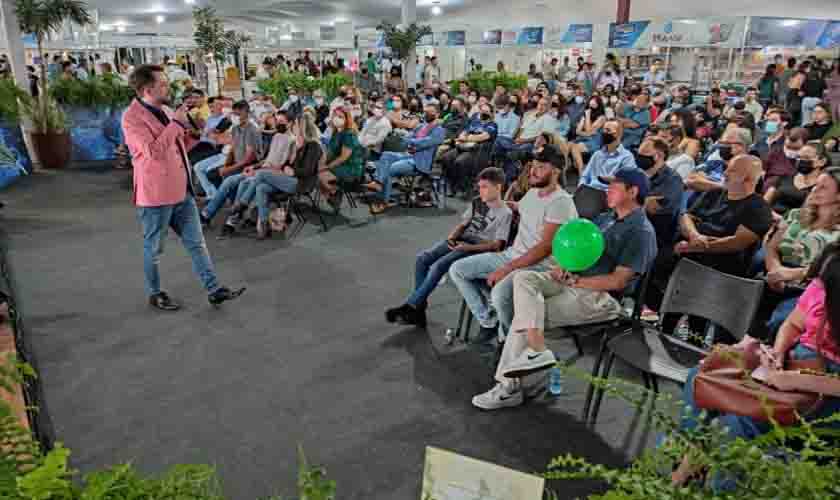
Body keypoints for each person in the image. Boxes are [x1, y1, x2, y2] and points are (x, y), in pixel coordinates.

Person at [472, 166, 657, 410]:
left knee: (526, 318)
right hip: (574, 281)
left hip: (601, 298)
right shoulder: (607, 219)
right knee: (524, 279)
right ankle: (538, 350)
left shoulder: (640, 232)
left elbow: (618, 281)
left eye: (614, 185)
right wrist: (564, 266)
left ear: (633, 192)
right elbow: (579, 250)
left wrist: (577, 281)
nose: (607, 190)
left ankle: (508, 388)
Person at [672, 241, 840, 486]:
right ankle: (687, 458)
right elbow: (793, 324)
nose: (819, 288)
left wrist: (795, 380)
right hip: (794, 362)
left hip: (827, 389)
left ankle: (707, 482)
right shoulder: (825, 281)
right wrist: (779, 352)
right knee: (701, 375)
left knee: (735, 425)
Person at [121, 65, 244, 311]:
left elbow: (177, 145)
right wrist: (176, 124)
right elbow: (154, 153)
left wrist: (194, 133)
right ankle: (155, 293)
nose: (169, 88)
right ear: (147, 89)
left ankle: (213, 289)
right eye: (163, 84)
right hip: (156, 195)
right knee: (154, 249)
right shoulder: (131, 118)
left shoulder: (166, 110)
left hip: (182, 190)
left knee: (197, 243)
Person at [449, 145, 578, 348]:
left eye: (540, 167)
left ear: (556, 171)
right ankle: (489, 320)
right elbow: (520, 208)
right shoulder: (534, 193)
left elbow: (545, 248)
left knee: (500, 295)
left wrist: (507, 269)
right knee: (458, 270)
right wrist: (500, 201)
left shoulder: (561, 202)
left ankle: (510, 344)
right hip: (513, 255)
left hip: (538, 266)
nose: (533, 171)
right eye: (533, 166)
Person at [386, 167, 512, 327]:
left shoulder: (505, 213)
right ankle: (418, 308)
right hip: (463, 239)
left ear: (498, 187)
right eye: (479, 186)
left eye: (485, 187)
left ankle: (411, 306)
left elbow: (497, 245)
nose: (481, 191)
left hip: (479, 247)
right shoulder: (477, 202)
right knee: (422, 259)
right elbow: (463, 224)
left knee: (439, 266)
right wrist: (452, 237)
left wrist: (466, 248)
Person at [250, 113, 322, 239]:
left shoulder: (313, 145)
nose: (293, 127)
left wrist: (293, 171)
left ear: (302, 127)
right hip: (289, 180)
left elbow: (307, 171)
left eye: (295, 125)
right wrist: (289, 165)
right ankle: (264, 224)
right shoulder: (299, 145)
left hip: (301, 183)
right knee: (261, 187)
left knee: (261, 174)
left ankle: (243, 204)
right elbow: (287, 165)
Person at [367, 104, 445, 213]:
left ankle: (382, 202)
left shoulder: (439, 130)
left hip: (419, 162)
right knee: (386, 155)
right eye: (425, 112)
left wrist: (411, 142)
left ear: (437, 114)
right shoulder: (421, 126)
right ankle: (379, 183)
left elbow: (426, 142)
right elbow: (407, 138)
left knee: (388, 169)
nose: (426, 114)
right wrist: (409, 140)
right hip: (408, 155)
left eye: (429, 112)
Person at [440, 101, 498, 195]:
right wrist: (464, 137)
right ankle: (451, 185)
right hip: (464, 147)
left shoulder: (492, 125)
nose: (484, 113)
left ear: (491, 114)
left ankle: (462, 187)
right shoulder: (474, 121)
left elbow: (482, 137)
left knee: (460, 162)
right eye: (482, 111)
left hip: (478, 151)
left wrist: (466, 138)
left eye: (487, 112)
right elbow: (464, 132)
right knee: (446, 158)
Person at [638, 137, 685, 248]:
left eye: (644, 154)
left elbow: (653, 210)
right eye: (639, 153)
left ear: (659, 156)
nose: (640, 158)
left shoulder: (673, 180)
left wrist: (635, 201)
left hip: (654, 237)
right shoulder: (638, 173)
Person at [764, 142, 832, 216]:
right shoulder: (785, 176)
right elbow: (765, 202)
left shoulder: (820, 187)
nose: (800, 161)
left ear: (821, 162)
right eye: (799, 157)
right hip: (769, 217)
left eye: (806, 158)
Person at [494, 97, 553, 180]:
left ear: (548, 107)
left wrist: (523, 141)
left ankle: (504, 174)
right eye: (540, 104)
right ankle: (505, 159)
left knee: (511, 153)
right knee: (499, 139)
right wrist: (517, 139)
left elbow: (543, 137)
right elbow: (522, 129)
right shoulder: (531, 116)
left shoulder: (549, 119)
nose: (541, 106)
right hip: (518, 142)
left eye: (544, 105)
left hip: (532, 144)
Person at [578, 119, 638, 196]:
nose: (604, 133)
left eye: (608, 130)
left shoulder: (627, 157)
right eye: (603, 130)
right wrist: (580, 189)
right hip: (589, 193)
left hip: (608, 196)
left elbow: (627, 182)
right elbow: (585, 176)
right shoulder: (597, 154)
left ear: (618, 134)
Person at [319, 107, 364, 206]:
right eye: (335, 116)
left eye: (340, 117)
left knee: (319, 175)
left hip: (350, 167)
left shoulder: (349, 134)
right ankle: (333, 194)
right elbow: (329, 151)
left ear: (346, 119)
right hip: (337, 163)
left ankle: (335, 192)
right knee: (316, 170)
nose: (336, 118)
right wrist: (322, 163)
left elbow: (343, 157)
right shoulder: (336, 132)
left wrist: (327, 166)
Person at [569, 95, 607, 172]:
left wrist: (588, 115)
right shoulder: (585, 114)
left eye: (595, 101)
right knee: (568, 144)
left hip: (594, 141)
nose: (593, 102)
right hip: (582, 139)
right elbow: (578, 131)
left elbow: (588, 129)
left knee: (575, 147)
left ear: (599, 104)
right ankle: (578, 166)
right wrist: (587, 134)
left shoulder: (602, 117)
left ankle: (581, 170)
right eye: (592, 100)